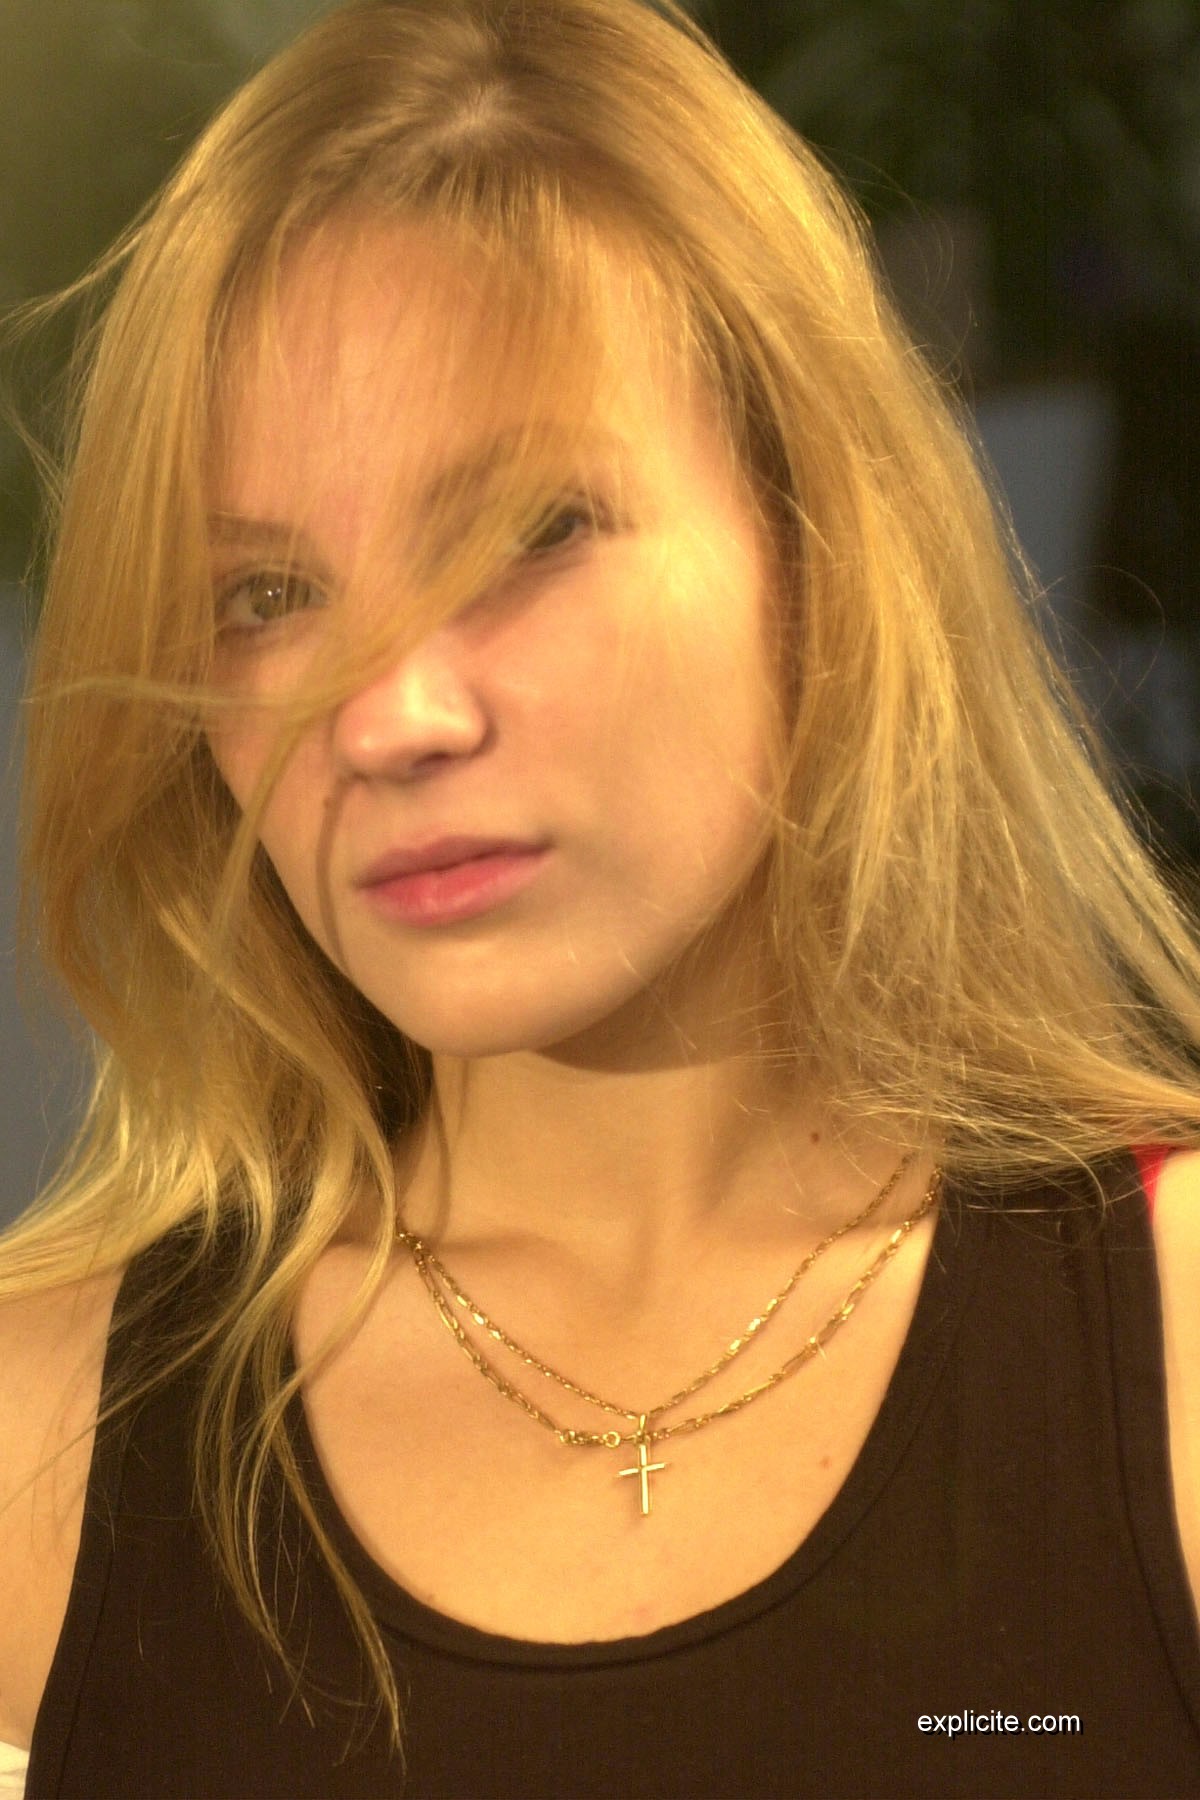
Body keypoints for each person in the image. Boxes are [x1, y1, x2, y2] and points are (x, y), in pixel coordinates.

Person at [1, 1, 1199, 1793]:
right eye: (265, 598)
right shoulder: (31, 1446)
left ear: (815, 541)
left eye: (529, 535)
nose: (392, 717)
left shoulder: (1172, 1343)